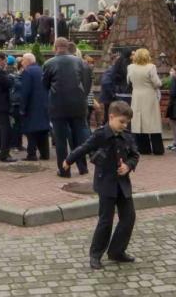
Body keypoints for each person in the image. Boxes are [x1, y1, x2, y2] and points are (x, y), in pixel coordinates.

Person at [62, 100, 139, 270]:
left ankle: (117, 251)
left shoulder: (126, 135)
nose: (124, 125)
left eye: (127, 122)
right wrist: (69, 160)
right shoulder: (101, 134)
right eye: (122, 121)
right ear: (111, 117)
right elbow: (84, 147)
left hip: (123, 184)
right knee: (106, 220)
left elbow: (135, 155)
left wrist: (128, 166)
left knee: (129, 217)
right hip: (106, 184)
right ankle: (95, 255)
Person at [43, 37, 93, 176]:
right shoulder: (80, 62)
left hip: (58, 106)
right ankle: (83, 168)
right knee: (79, 139)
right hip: (78, 105)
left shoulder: (49, 64)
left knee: (60, 140)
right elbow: (86, 81)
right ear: (67, 47)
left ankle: (64, 170)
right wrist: (82, 96)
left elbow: (45, 85)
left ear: (55, 47)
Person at [127, 48, 164, 155]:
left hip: (137, 95)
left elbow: (128, 81)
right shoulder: (151, 67)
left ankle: (144, 148)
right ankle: (157, 149)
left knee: (139, 121)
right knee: (153, 122)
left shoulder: (130, 67)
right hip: (149, 96)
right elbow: (157, 83)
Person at [18, 53, 50, 161]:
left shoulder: (27, 72)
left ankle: (31, 154)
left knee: (30, 130)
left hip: (32, 106)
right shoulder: (42, 70)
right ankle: (45, 153)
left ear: (27, 61)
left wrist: (22, 107)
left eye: (22, 60)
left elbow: (25, 91)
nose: (21, 63)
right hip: (44, 104)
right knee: (43, 130)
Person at [100, 49, 132, 123]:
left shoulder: (116, 70)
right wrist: (113, 94)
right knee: (109, 117)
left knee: (110, 116)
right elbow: (105, 83)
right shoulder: (111, 70)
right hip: (109, 98)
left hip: (110, 97)